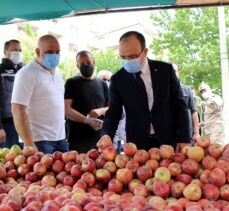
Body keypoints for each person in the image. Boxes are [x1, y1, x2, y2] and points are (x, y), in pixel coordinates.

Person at [100, 31, 190, 151]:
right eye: (123, 57)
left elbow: (180, 105)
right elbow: (113, 113)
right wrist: (106, 135)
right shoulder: (118, 79)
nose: (127, 61)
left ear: (145, 51)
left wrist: (184, 138)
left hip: (168, 141)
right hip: (137, 145)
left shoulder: (165, 71)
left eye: (132, 57)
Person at [11, 35, 68, 153]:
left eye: (57, 52)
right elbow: (17, 109)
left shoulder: (57, 72)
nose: (54, 55)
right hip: (38, 141)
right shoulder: (26, 74)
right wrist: (28, 142)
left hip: (60, 138)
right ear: (37, 51)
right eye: (49, 52)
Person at [65, 50, 108, 153]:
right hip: (78, 139)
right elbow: (67, 109)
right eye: (82, 64)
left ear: (93, 62)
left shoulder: (102, 84)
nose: (86, 66)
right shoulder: (71, 82)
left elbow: (111, 107)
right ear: (77, 66)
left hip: (100, 138)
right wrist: (88, 121)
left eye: (88, 62)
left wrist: (101, 111)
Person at [0, 39, 23, 148]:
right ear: (5, 52)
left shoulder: (24, 70)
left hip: (25, 122)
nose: (18, 53)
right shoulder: (1, 71)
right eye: (14, 50)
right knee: (9, 159)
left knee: (27, 160)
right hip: (7, 124)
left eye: (19, 50)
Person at [97, 69, 126, 153]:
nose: (107, 82)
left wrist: (102, 110)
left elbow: (117, 110)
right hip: (104, 133)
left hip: (119, 133)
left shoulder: (117, 92)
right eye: (104, 80)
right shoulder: (98, 93)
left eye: (109, 80)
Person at [171, 62, 200, 142]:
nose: (172, 73)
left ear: (178, 72)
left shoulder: (187, 90)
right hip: (168, 138)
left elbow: (194, 112)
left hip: (186, 137)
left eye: (174, 71)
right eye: (169, 71)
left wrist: (196, 133)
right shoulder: (160, 91)